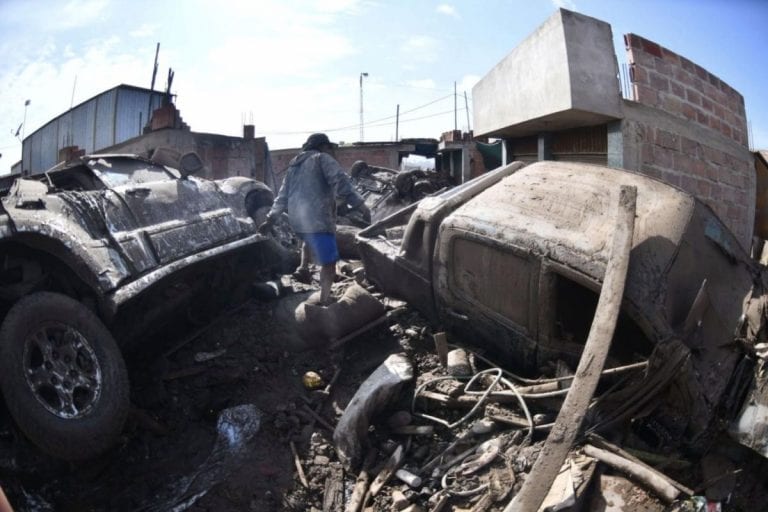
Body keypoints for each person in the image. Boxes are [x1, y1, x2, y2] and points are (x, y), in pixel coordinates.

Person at [260, 133, 370, 305]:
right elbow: (341, 182)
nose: (333, 152)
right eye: (330, 148)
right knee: (329, 262)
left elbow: (282, 195)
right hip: (318, 219)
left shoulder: (294, 165)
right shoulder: (322, 158)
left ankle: (303, 269)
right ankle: (325, 299)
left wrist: (270, 219)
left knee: (308, 240)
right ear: (323, 147)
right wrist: (361, 206)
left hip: (298, 221)